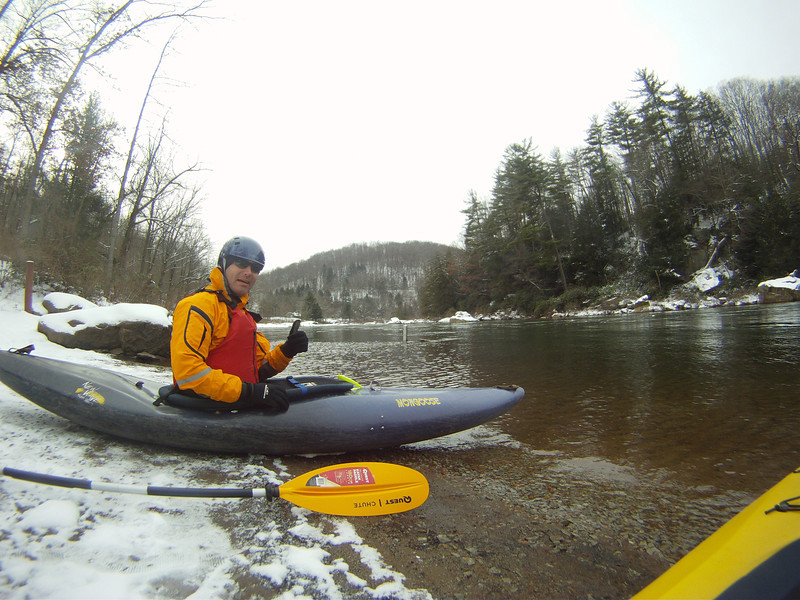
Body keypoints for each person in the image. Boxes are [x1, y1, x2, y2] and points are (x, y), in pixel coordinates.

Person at [170, 236, 308, 412]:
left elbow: (257, 371)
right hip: (205, 408)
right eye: (241, 263)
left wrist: (287, 351)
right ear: (224, 263)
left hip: (238, 404)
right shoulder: (198, 306)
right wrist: (250, 392)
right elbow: (188, 374)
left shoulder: (242, 314)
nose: (249, 272)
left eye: (256, 268)